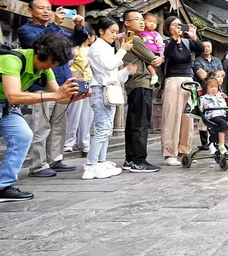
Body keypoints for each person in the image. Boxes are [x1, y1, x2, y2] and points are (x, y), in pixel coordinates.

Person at [0, 34, 86, 202]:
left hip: (2, 107)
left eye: (56, 64)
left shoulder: (45, 69)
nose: (52, 66)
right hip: (2, 102)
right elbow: (14, 96)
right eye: (51, 61)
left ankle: (2, 187)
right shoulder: (13, 60)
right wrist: (55, 95)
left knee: (23, 136)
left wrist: (74, 96)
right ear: (40, 52)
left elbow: (58, 95)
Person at [18, 0, 88, 177]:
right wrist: (56, 24)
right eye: (41, 8)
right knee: (41, 127)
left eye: (49, 9)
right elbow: (36, 44)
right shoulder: (26, 30)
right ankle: (38, 165)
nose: (46, 12)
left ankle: (55, 159)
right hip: (41, 85)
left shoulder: (58, 31)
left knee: (58, 125)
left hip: (62, 84)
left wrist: (79, 26)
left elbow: (77, 40)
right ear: (30, 10)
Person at [85, 18, 134, 180]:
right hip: (100, 91)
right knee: (102, 129)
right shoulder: (97, 47)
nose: (114, 35)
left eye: (115, 32)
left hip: (108, 90)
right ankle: (91, 165)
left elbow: (113, 75)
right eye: (111, 32)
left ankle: (100, 161)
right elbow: (108, 65)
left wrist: (126, 71)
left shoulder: (105, 47)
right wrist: (123, 50)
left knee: (107, 128)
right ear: (101, 31)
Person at [121, 10, 162, 173]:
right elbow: (153, 58)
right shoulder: (135, 39)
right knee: (140, 123)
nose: (141, 22)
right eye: (136, 19)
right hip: (141, 83)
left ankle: (130, 159)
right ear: (127, 23)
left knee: (132, 123)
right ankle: (139, 160)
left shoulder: (129, 38)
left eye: (141, 19)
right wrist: (155, 58)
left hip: (134, 84)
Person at [161, 16, 204, 166]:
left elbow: (201, 49)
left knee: (188, 118)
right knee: (172, 117)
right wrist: (174, 38)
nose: (179, 27)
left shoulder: (187, 42)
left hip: (188, 80)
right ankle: (169, 153)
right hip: (173, 80)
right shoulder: (165, 42)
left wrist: (193, 36)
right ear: (168, 27)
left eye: (180, 25)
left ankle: (184, 151)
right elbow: (169, 54)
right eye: (175, 25)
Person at [64, 32, 96, 154]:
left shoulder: (92, 50)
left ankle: (84, 141)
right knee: (73, 112)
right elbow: (68, 65)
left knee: (87, 113)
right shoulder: (74, 49)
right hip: (76, 80)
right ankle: (69, 141)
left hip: (88, 81)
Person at [200, 77, 228, 156]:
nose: (214, 89)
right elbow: (203, 107)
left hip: (222, 114)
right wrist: (205, 106)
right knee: (223, 123)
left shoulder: (219, 96)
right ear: (206, 88)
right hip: (213, 116)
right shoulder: (204, 98)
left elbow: (224, 106)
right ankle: (221, 144)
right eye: (211, 87)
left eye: (216, 87)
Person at [139, 13, 165, 88]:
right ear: (144, 22)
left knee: (148, 63)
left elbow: (161, 46)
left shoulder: (156, 35)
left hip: (154, 52)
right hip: (144, 51)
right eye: (150, 22)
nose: (152, 24)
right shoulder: (141, 32)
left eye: (154, 23)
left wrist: (162, 56)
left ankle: (154, 75)